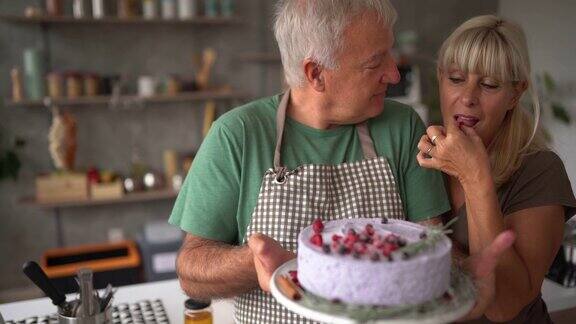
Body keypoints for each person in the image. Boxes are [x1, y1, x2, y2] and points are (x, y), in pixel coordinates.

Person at [169, 1, 513, 323]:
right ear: (316, 73)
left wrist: (463, 282)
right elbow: (191, 270)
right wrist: (254, 261)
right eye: (375, 62)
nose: (394, 74)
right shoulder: (238, 135)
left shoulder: (402, 127)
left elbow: (429, 248)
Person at [416, 15, 576, 323]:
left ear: (516, 94)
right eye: (456, 78)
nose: (468, 97)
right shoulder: (422, 155)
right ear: (439, 78)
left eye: (489, 84)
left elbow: (502, 305)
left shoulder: (540, 171)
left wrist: (474, 176)